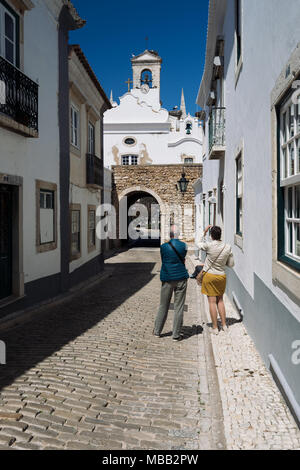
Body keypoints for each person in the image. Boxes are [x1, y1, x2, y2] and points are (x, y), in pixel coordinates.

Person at [153, 226, 189, 341]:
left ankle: (157, 331)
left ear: (170, 234)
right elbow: (183, 258)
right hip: (181, 278)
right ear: (178, 234)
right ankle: (176, 334)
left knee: (163, 305)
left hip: (167, 278)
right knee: (179, 307)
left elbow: (164, 260)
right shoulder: (184, 246)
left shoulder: (163, 247)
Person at [198, 225, 235, 335]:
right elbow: (231, 264)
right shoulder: (227, 247)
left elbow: (198, 244)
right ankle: (224, 325)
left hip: (209, 276)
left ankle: (215, 327)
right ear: (220, 235)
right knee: (220, 300)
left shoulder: (209, 246)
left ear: (211, 235)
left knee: (212, 302)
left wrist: (204, 232)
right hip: (221, 276)